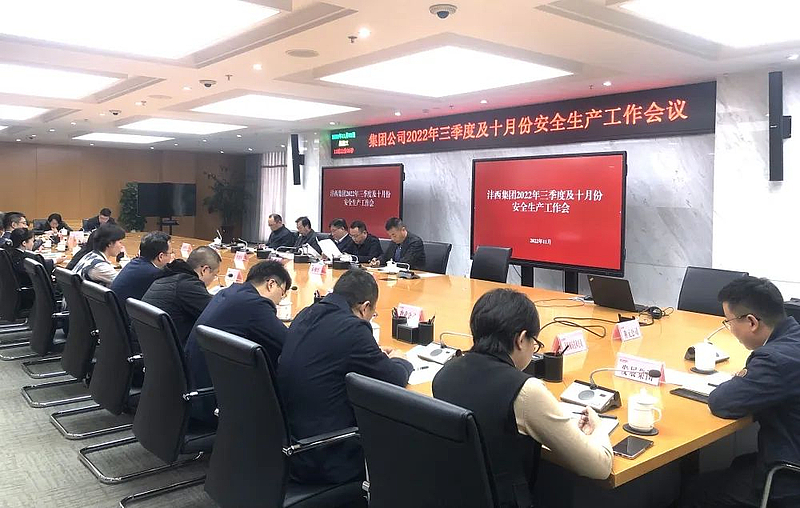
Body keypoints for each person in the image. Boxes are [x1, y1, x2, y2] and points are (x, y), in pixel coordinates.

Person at [433, 289, 612, 508]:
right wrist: (599, 428)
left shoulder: (445, 373)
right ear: (520, 339)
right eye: (534, 343)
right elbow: (599, 467)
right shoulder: (525, 391)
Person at [278, 268, 413, 485]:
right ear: (365, 307)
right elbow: (393, 379)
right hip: (325, 457)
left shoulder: (306, 314)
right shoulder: (354, 329)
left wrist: (371, 354)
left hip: (288, 445)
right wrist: (401, 360)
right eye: (372, 314)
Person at [679, 277, 800, 508]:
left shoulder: (774, 360)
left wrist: (744, 377)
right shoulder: (793, 337)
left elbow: (722, 402)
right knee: (739, 464)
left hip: (789, 479)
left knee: (695, 491)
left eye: (729, 321)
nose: (730, 328)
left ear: (752, 322)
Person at [184, 260, 292, 425]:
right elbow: (290, 346)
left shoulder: (227, 293)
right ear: (271, 284)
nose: (279, 301)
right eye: (282, 293)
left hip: (193, 391)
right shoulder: (255, 305)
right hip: (214, 402)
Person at [142, 246, 220, 347]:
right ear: (205, 270)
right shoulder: (188, 285)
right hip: (170, 350)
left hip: (150, 346)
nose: (213, 279)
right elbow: (216, 314)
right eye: (214, 275)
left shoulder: (169, 276)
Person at [110, 231, 172, 307]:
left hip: (113, 310)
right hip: (126, 313)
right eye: (171, 253)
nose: (172, 256)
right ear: (161, 256)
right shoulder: (155, 274)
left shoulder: (133, 263)